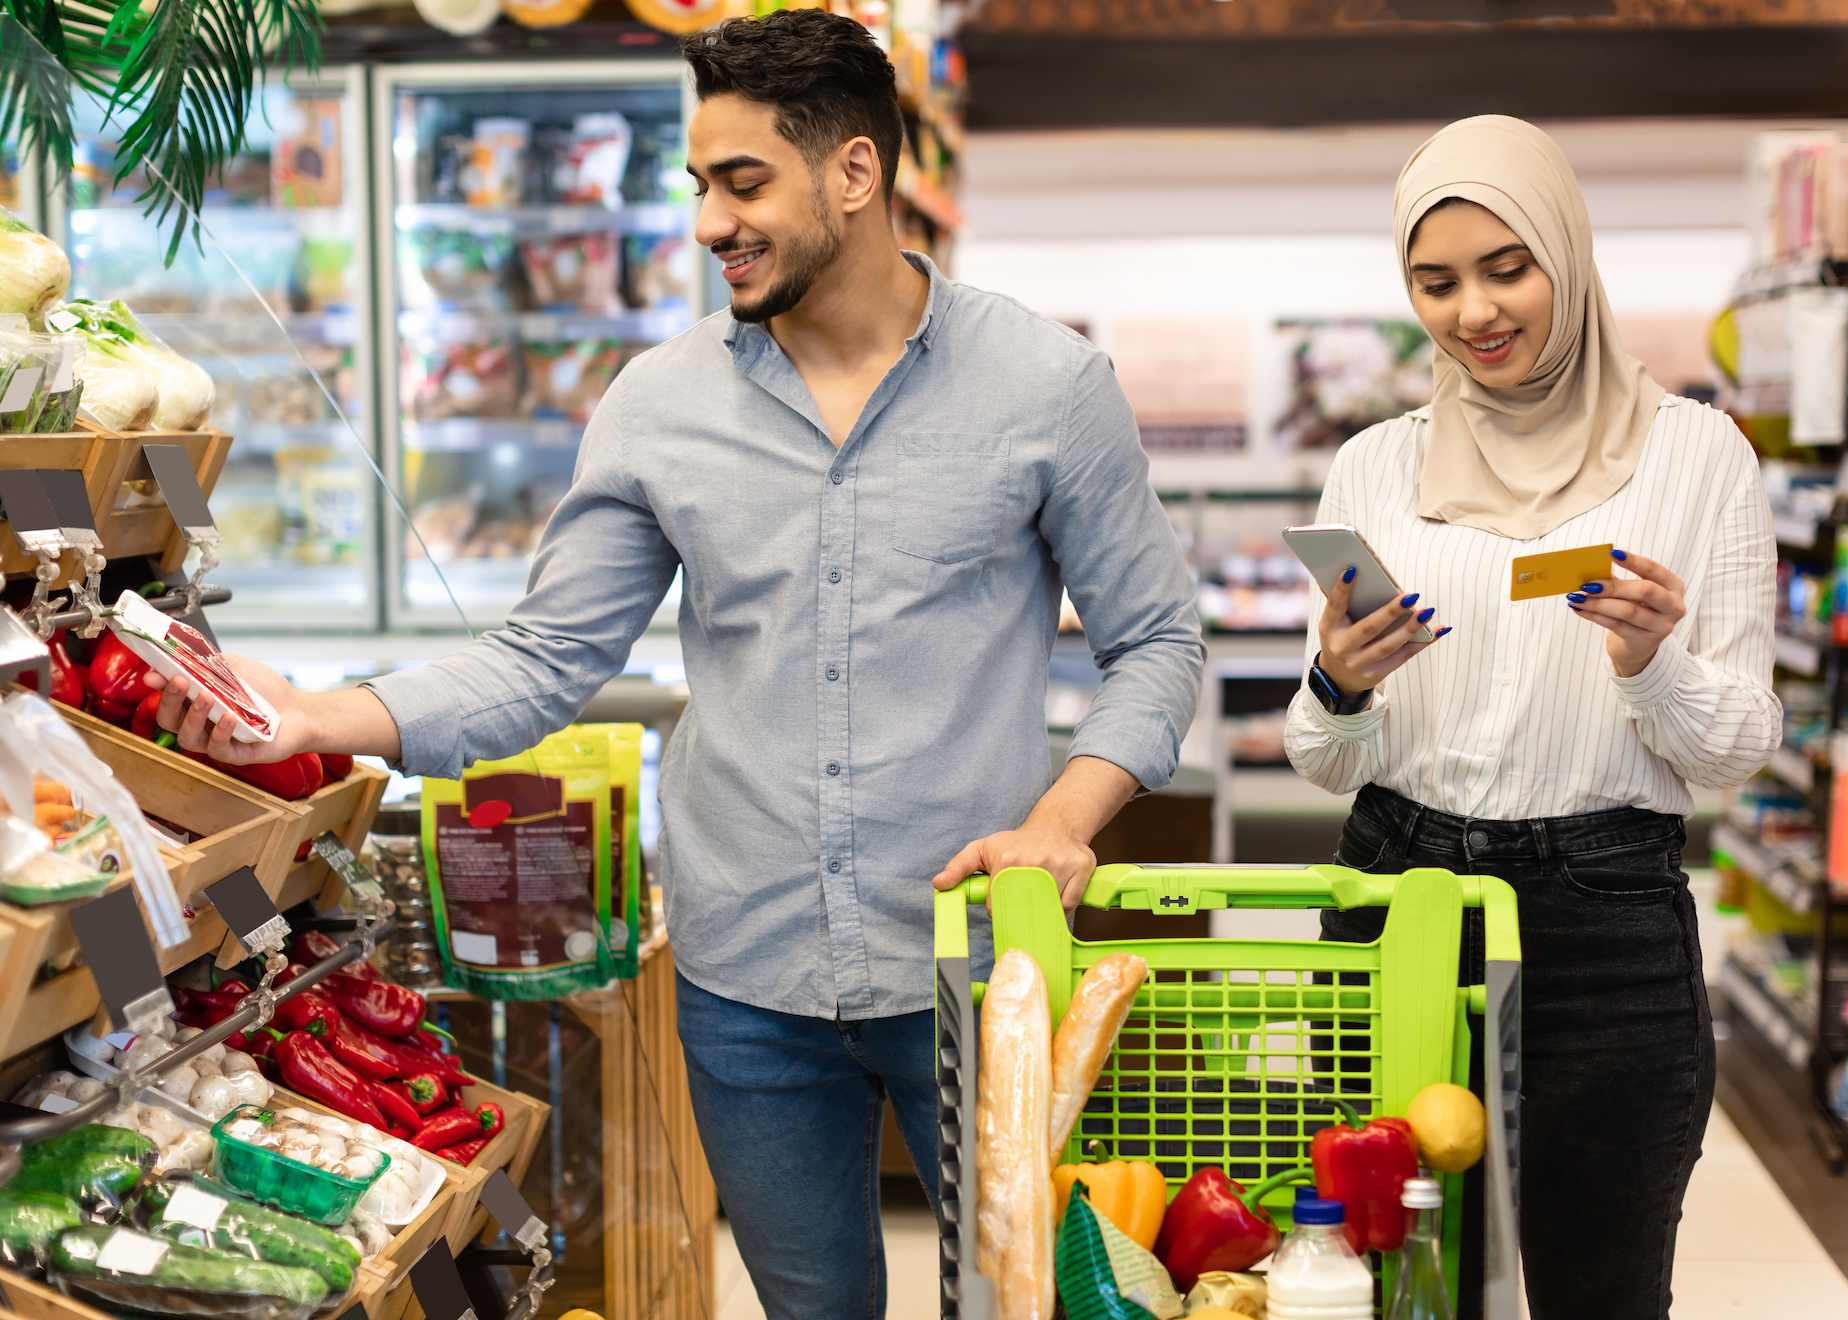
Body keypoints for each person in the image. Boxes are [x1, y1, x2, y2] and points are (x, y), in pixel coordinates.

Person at [150, 11, 1203, 1317]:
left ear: (858, 175)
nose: (710, 222)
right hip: (744, 976)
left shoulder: (1046, 388)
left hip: (976, 964)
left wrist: (1062, 817)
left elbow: (1157, 642)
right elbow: (547, 657)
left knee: (1033, 1298)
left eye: (743, 182)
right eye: (700, 184)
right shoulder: (660, 402)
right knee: (810, 1305)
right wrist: (314, 713)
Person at [1285, 116, 1779, 1320]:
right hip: (1398, 886)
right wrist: (1342, 686)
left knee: (1597, 1287)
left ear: (1570, 252)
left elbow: (1737, 746)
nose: (1475, 312)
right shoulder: (1373, 468)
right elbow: (1319, 757)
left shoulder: (1697, 456)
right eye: (1436, 281)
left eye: (1509, 268)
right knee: (1384, 1283)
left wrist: (1652, 664)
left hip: (1605, 921)